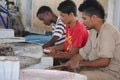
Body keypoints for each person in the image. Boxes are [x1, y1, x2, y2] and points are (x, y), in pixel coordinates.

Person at [65, 0, 120, 80]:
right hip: (98, 70)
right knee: (71, 71)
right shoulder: (93, 31)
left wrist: (79, 64)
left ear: (94, 17)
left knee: (82, 76)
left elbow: (105, 62)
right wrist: (70, 63)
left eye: (84, 18)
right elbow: (83, 53)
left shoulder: (107, 32)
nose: (82, 22)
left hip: (111, 73)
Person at [45, 0, 89, 66]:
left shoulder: (79, 30)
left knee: (49, 62)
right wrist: (53, 48)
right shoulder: (68, 25)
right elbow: (67, 44)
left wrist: (54, 55)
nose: (61, 19)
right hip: (68, 56)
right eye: (60, 16)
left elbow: (71, 54)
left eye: (62, 16)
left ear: (71, 14)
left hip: (76, 61)